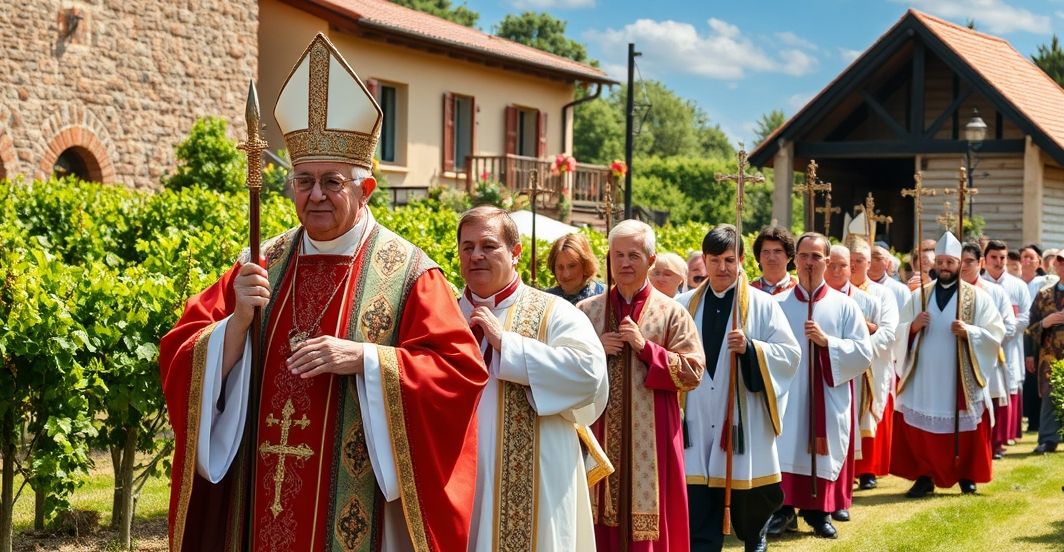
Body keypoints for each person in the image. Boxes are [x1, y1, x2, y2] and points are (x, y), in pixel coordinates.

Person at [158, 34, 488, 551]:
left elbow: (460, 373)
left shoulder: (409, 274)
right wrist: (236, 325)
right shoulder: (259, 263)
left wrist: (367, 359)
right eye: (302, 180)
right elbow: (179, 353)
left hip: (360, 511)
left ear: (366, 189)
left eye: (332, 181)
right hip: (258, 495)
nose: (314, 195)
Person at [457, 206, 609, 551]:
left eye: (488, 246)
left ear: (515, 252)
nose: (476, 256)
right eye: (468, 247)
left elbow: (590, 376)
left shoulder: (556, 312)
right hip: (462, 479)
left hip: (537, 484)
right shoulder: (445, 313)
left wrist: (508, 346)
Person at [576, 219, 706, 551]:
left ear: (651, 260)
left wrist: (647, 349)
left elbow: (693, 372)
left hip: (654, 440)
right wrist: (594, 350)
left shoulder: (671, 313)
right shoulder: (585, 312)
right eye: (617, 255)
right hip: (596, 434)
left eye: (633, 255)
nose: (624, 263)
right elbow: (565, 367)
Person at [676, 224, 800, 552]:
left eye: (730, 260)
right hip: (698, 415)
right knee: (699, 496)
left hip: (742, 415)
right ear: (704, 259)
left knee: (748, 497)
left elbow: (789, 355)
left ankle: (755, 537)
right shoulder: (684, 304)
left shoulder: (762, 304)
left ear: (742, 260)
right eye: (714, 260)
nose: (722, 268)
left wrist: (752, 349)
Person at [766, 233, 872, 540]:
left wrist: (829, 344)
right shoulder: (777, 304)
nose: (809, 262)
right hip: (787, 393)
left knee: (820, 451)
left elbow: (863, 352)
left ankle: (818, 513)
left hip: (826, 392)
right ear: (794, 259)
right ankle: (783, 510)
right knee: (786, 447)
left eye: (816, 256)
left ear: (827, 261)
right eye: (803, 256)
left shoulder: (844, 306)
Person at [891, 232, 1004, 498]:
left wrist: (970, 332)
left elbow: (995, 333)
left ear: (959, 264)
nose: (944, 267)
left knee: (964, 424)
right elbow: (896, 332)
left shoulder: (977, 298)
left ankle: (966, 475)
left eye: (950, 262)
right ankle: (924, 476)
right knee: (920, 426)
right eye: (940, 261)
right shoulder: (919, 296)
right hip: (924, 374)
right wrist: (912, 327)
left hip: (959, 373)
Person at [843, 241, 900, 493]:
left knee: (868, 411)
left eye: (859, 260)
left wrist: (863, 349)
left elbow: (889, 331)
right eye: (850, 260)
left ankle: (867, 470)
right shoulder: (836, 291)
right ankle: (846, 469)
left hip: (872, 361)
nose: (854, 264)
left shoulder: (882, 293)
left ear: (869, 263)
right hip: (842, 361)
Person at [956, 244, 1016, 460]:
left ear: (980, 263)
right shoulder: (947, 291)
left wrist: (976, 334)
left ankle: (991, 445)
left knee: (987, 401)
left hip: (986, 355)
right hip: (954, 357)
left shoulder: (994, 292)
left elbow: (1008, 326)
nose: (963, 266)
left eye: (969, 261)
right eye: (959, 260)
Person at [982, 241, 1031, 449]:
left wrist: (1002, 333)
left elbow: (1026, 317)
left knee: (1006, 389)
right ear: (984, 260)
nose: (999, 262)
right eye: (994, 257)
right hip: (983, 349)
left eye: (1002, 257)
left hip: (1009, 348)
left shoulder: (1017, 285)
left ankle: (1001, 440)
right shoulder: (978, 284)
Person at [1028, 247, 1064, 454]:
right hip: (1051, 355)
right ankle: (1049, 439)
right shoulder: (1044, 295)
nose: (1063, 265)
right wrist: (1045, 322)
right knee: (1050, 396)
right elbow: (1030, 328)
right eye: (1061, 261)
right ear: (1056, 265)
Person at [1019, 244, 1049, 433]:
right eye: (1024, 257)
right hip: (1019, 336)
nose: (1028, 260)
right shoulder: (1015, 283)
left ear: (1039, 261)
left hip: (1040, 335)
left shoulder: (1045, 282)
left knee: (1037, 378)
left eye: (1032, 257)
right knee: (1024, 380)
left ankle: (1038, 420)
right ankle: (1028, 418)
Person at [546, 233, 606, 305]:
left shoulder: (605, 297)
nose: (566, 274)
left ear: (586, 265)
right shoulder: (546, 300)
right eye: (560, 267)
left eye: (572, 266)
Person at [750, 226, 798, 295]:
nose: (771, 257)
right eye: (766, 251)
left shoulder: (799, 290)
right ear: (759, 257)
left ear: (789, 257)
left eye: (778, 251)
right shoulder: (748, 291)